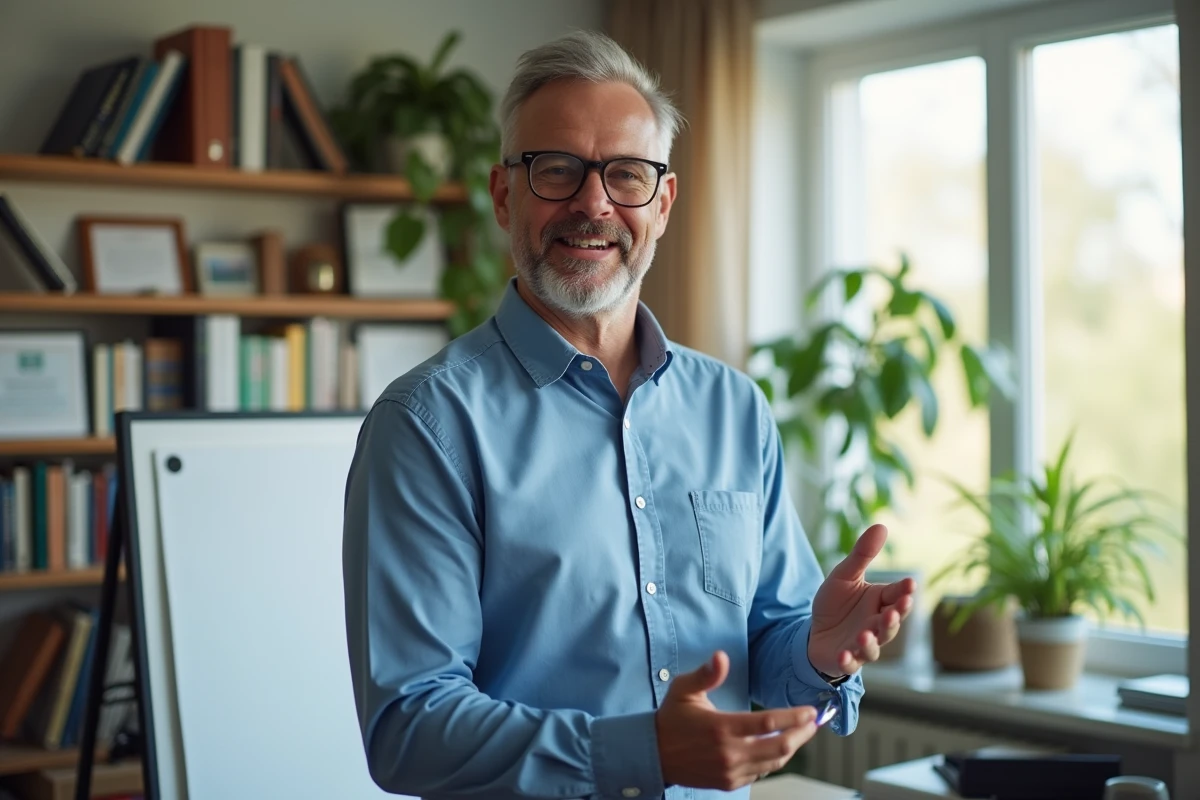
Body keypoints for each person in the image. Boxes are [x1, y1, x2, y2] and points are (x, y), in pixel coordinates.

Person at [342, 29, 915, 800]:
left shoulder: (734, 410)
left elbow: (766, 661)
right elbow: (408, 728)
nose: (593, 203)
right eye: (557, 170)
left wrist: (816, 653)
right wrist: (643, 752)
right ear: (505, 193)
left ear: (664, 202)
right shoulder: (427, 426)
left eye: (626, 174)